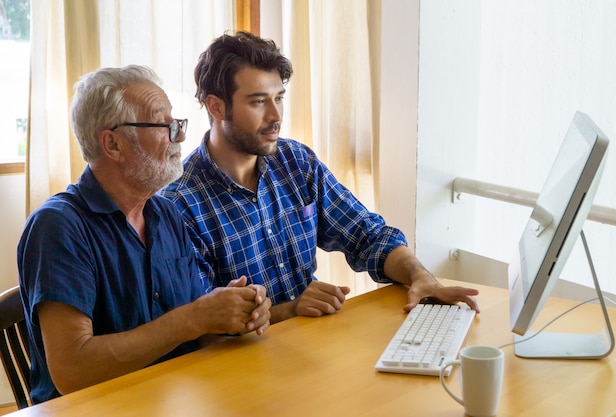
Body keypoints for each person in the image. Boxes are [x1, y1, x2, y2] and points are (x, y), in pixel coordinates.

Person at [161, 31, 479, 324]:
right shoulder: (179, 204)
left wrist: (422, 277)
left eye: (279, 98)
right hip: (238, 371)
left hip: (309, 352)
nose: (275, 116)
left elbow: (367, 235)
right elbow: (200, 326)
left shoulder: (296, 161)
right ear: (216, 107)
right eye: (258, 101)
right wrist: (293, 308)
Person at [17, 64, 271, 404]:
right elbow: (72, 370)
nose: (179, 136)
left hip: (174, 399)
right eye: (163, 125)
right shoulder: (59, 226)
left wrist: (235, 313)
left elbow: (197, 333)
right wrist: (194, 318)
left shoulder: (166, 213)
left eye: (176, 123)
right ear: (113, 144)